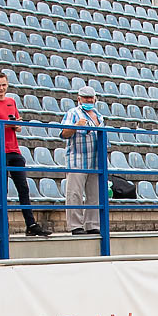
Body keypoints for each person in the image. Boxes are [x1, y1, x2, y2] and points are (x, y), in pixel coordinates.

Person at [0, 69, 47, 238]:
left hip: (14, 148)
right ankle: (4, 226)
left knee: (23, 187)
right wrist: (4, 125)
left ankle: (30, 223)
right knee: (3, 189)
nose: (1, 88)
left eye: (3, 85)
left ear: (7, 85)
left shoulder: (11, 101)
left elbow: (16, 123)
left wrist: (15, 125)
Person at [60, 81, 105, 235]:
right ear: (79, 99)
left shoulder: (99, 116)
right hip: (77, 159)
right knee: (74, 194)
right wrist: (76, 126)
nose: (88, 100)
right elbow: (63, 133)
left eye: (90, 98)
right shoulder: (73, 113)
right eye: (85, 98)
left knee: (95, 194)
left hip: (95, 160)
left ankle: (92, 224)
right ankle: (75, 225)